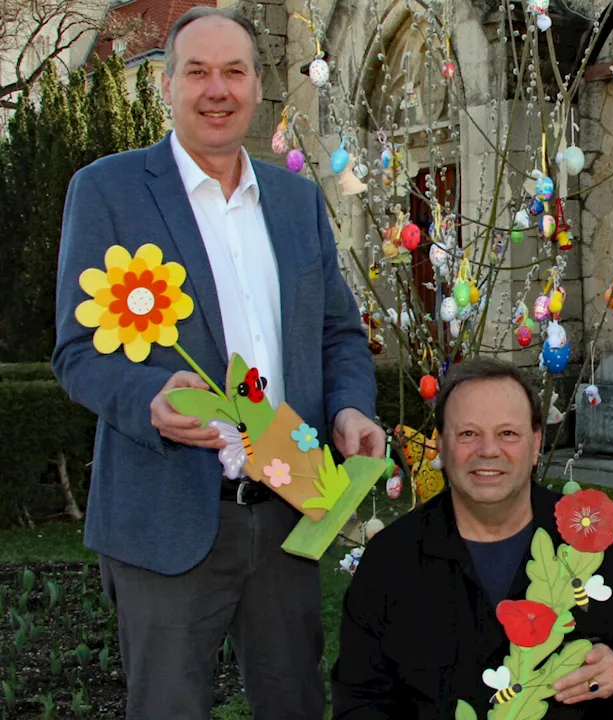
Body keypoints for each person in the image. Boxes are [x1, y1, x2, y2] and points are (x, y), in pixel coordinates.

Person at [52, 8, 383, 718]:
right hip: (166, 516)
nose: (216, 89)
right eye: (197, 71)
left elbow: (339, 335)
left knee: (294, 701)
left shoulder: (295, 201)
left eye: (233, 72)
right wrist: (149, 401)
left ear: (257, 88)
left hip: (288, 508)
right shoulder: (108, 192)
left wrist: (352, 406)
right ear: (166, 86)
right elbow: (76, 353)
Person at [331, 358, 613, 718]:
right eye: (468, 433)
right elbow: (360, 699)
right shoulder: (391, 560)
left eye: (508, 433)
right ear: (440, 445)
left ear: (536, 444)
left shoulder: (591, 539)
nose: (488, 450)